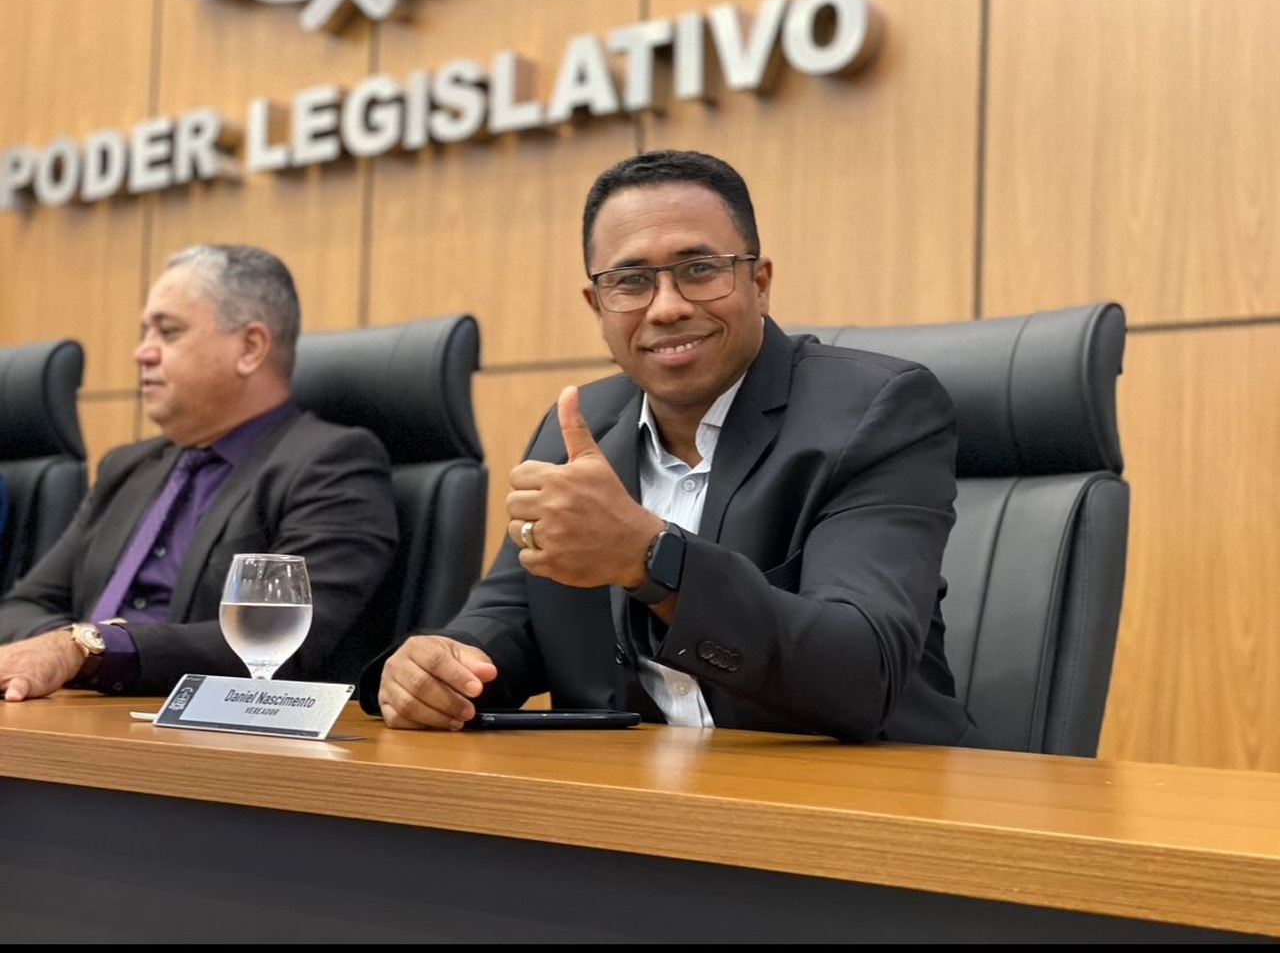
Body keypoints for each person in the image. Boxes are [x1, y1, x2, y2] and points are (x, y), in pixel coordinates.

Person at [367, 149, 988, 746]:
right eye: (630, 281)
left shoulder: (875, 412)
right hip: (644, 808)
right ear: (598, 305)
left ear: (760, 282)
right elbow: (511, 616)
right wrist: (439, 667)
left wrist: (652, 558)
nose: (666, 307)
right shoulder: (578, 425)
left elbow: (861, 670)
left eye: (699, 270)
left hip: (870, 804)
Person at [0, 244, 398, 700]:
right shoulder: (126, 467)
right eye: (144, 333)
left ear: (250, 348)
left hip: (217, 740)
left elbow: (281, 647)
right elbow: (21, 607)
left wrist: (97, 650)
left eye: (167, 333)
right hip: (78, 713)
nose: (141, 354)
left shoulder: (334, 463)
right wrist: (71, 651)